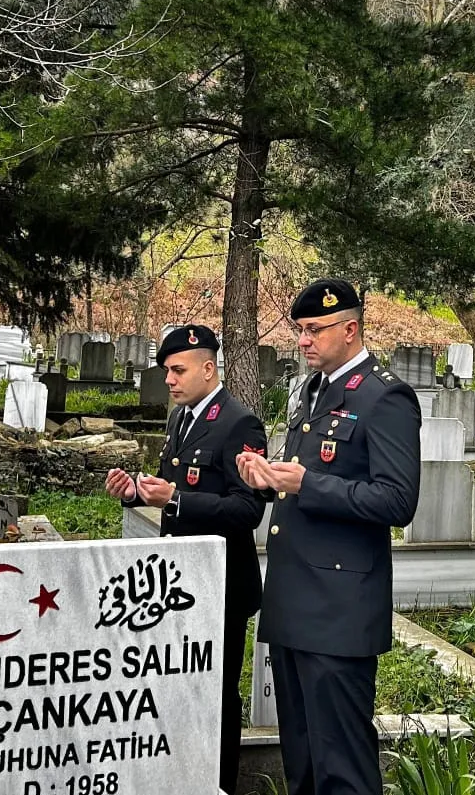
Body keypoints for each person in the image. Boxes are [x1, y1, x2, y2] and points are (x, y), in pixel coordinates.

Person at [237, 279, 420, 795]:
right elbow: (308, 480)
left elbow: (397, 501)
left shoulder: (385, 397)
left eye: (314, 330)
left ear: (350, 328)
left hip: (338, 611)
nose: (303, 341)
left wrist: (307, 484)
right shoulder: (314, 391)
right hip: (295, 602)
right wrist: (270, 480)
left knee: (342, 769)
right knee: (305, 766)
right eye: (300, 330)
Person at [104, 325, 265, 795]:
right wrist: (136, 492)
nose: (169, 380)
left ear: (208, 368)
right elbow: (166, 488)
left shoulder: (239, 424)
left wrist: (177, 499)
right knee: (179, 687)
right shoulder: (182, 419)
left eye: (178, 370)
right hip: (179, 581)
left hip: (222, 585)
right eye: (166, 371)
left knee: (216, 696)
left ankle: (219, 783)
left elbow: (248, 509)